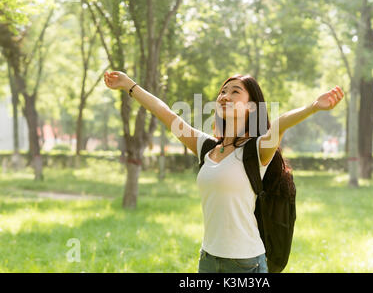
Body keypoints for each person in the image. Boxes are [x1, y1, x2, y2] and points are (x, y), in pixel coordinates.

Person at [104, 71, 344, 273]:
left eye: (235, 92)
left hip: (246, 263)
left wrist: (313, 107)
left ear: (251, 107)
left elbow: (280, 123)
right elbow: (165, 112)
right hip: (208, 259)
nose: (225, 96)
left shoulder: (257, 149)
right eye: (223, 91)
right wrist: (129, 85)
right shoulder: (206, 147)